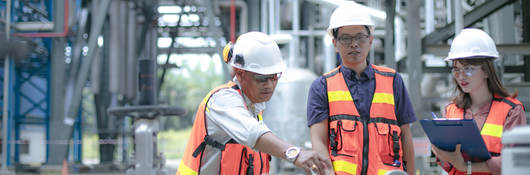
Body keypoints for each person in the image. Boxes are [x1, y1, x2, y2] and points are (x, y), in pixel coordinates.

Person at [176, 32, 331, 175]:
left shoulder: (254, 108)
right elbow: (253, 133)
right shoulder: (222, 100)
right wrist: (294, 153)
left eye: (274, 77)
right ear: (239, 73)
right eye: (262, 78)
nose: (270, 85)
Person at [306, 2, 416, 175]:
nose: (354, 44)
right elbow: (318, 140)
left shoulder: (393, 80)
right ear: (335, 43)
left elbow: (405, 136)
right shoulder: (322, 86)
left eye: (360, 37)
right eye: (346, 38)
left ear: (370, 40)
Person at [432, 28, 526, 175]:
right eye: (456, 69)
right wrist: (440, 153)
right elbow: (447, 165)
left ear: (487, 71)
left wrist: (466, 167)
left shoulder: (511, 111)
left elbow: (515, 161)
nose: (461, 76)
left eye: (468, 69)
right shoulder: (451, 110)